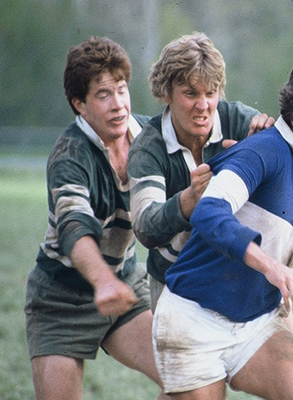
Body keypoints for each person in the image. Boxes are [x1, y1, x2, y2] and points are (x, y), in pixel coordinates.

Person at [153, 52, 293, 399]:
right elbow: (208, 212)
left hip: (256, 325)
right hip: (193, 320)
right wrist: (272, 269)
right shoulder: (262, 152)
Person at [23, 37, 169, 400]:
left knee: (190, 382)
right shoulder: (69, 155)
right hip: (62, 300)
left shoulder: (152, 137)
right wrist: (102, 280)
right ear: (80, 105)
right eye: (103, 95)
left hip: (125, 288)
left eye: (121, 90)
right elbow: (74, 224)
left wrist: (253, 128)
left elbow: (206, 127)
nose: (118, 104)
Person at [127, 32, 274, 312]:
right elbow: (145, 227)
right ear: (167, 93)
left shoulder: (241, 122)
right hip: (175, 281)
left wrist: (264, 149)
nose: (203, 105)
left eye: (210, 93)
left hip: (237, 275)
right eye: (191, 93)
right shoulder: (148, 146)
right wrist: (189, 201)